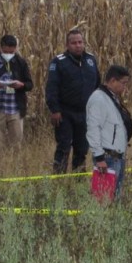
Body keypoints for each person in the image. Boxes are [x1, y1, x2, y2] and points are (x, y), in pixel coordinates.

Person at [45, 29, 100, 173]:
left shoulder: (91, 60)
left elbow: (97, 85)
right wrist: (54, 109)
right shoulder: (59, 62)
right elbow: (52, 87)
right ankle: (59, 178)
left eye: (80, 42)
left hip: (85, 113)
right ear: (67, 45)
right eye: (74, 43)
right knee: (64, 146)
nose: (78, 45)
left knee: (82, 148)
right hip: (64, 112)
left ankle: (78, 179)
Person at [86, 65, 132, 198]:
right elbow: (93, 129)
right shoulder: (99, 99)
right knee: (103, 201)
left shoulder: (112, 98)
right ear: (113, 81)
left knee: (114, 200)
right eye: (123, 83)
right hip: (107, 159)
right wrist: (99, 157)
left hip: (117, 157)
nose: (125, 87)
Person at [0, 35, 33, 148]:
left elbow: (29, 84)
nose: (8, 54)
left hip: (15, 109)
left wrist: (21, 85)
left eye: (11, 52)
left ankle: (14, 165)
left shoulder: (20, 62)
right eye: (6, 51)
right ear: (0, 47)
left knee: (16, 144)